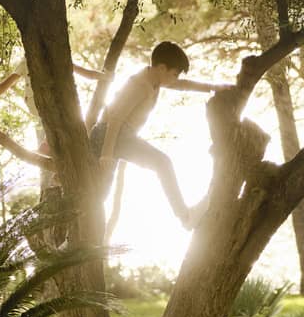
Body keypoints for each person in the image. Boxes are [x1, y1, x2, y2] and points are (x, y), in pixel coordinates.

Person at [90, 42, 226, 228]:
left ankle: (185, 217)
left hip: (122, 137)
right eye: (174, 74)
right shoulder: (139, 84)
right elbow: (115, 118)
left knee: (98, 194)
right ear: (162, 68)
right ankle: (185, 217)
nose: (175, 79)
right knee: (162, 163)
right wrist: (106, 154)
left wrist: (212, 87)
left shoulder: (155, 79)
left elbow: (181, 85)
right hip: (109, 135)